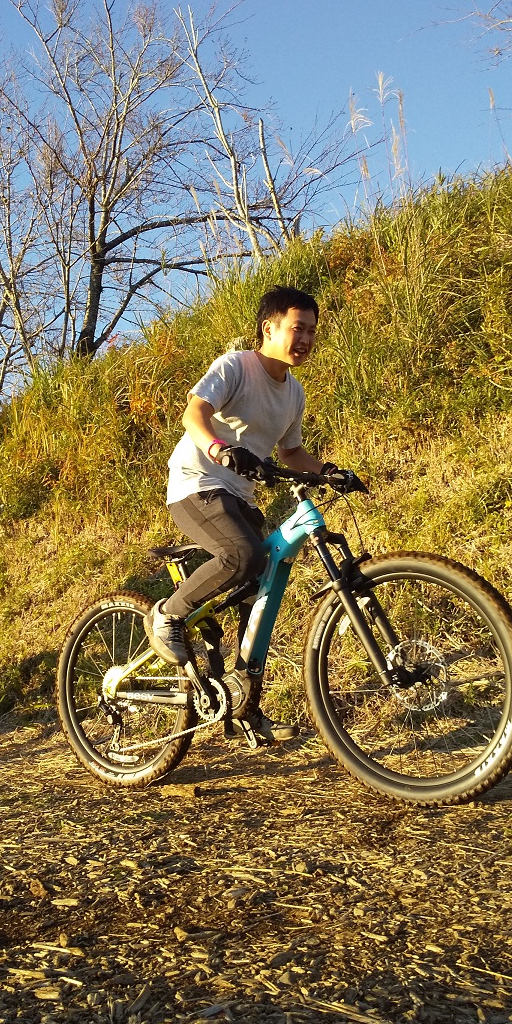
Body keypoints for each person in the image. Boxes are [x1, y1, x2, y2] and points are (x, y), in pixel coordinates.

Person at [145, 285, 360, 741]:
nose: (305, 339)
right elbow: (194, 414)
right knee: (243, 556)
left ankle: (244, 708)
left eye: (311, 332)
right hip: (196, 484)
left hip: (241, 496)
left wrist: (331, 471)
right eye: (296, 328)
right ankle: (167, 614)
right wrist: (220, 449)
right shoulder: (236, 366)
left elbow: (293, 451)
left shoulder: (294, 393)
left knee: (258, 599)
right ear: (270, 327)